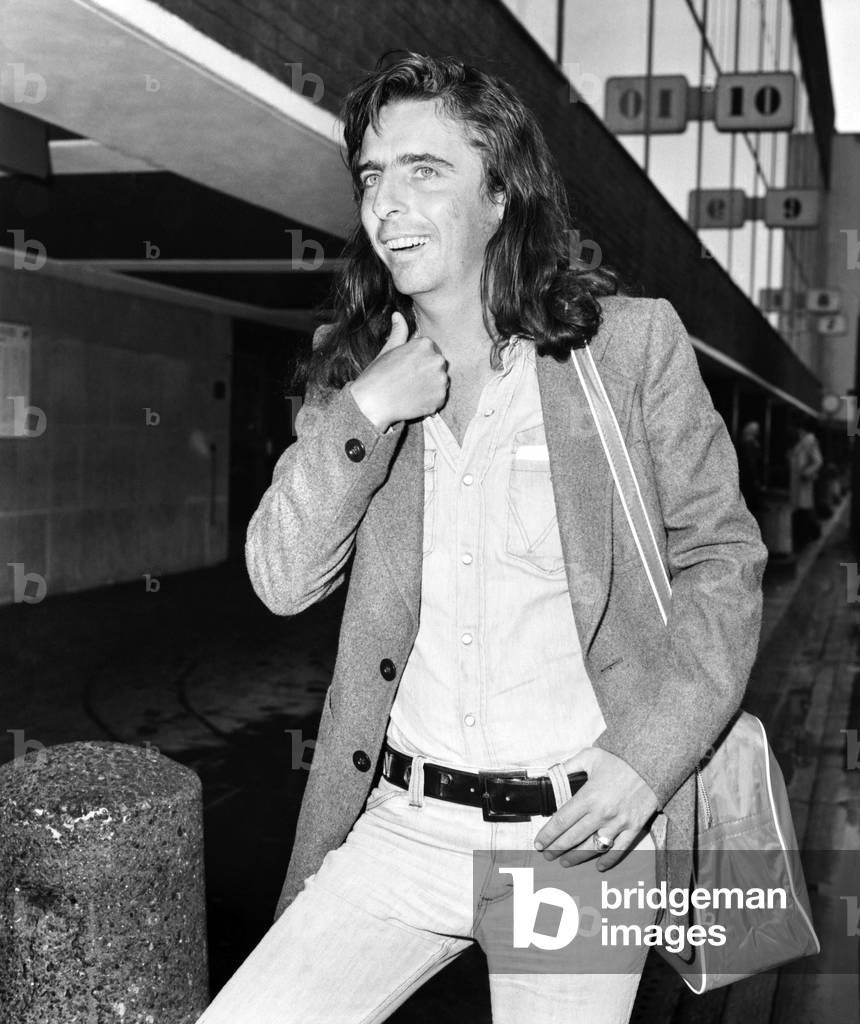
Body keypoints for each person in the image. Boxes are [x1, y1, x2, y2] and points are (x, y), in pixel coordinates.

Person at [196, 51, 766, 1023]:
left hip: (573, 841)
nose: (387, 204)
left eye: (424, 170)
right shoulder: (354, 382)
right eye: (373, 176)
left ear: (500, 193)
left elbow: (721, 557)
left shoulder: (622, 349)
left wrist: (647, 756)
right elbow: (279, 577)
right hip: (400, 825)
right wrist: (371, 408)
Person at [788, 423, 824, 548]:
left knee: (803, 511)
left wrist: (806, 473)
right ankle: (804, 538)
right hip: (797, 485)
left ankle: (804, 539)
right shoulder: (800, 442)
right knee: (801, 511)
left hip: (803, 485)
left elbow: (818, 461)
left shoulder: (809, 441)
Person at [736, 420, 766, 518]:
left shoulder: (750, 442)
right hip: (750, 475)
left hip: (749, 474)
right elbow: (751, 461)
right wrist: (756, 477)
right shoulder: (749, 443)